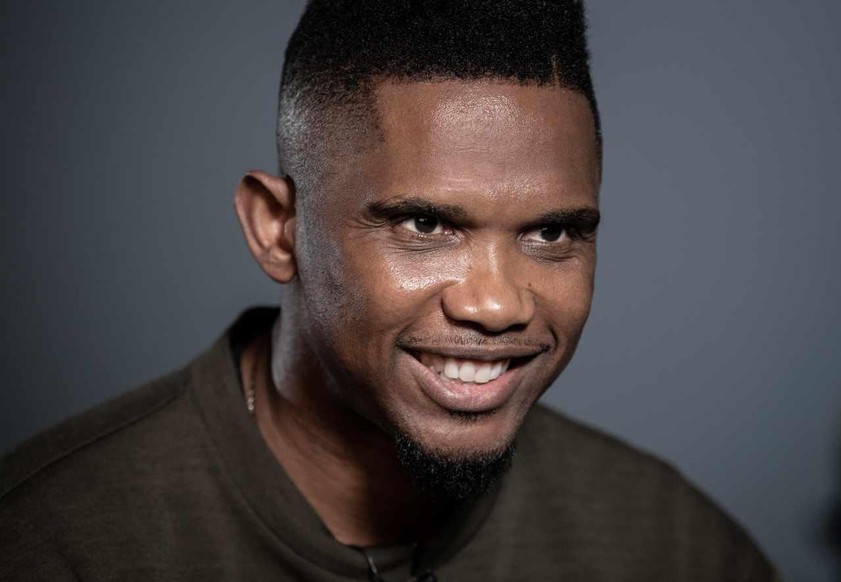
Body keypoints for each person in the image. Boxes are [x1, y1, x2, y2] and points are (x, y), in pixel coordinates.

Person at [0, 1, 779, 580]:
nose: (498, 304)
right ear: (276, 228)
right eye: (424, 225)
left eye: (549, 234)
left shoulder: (668, 545)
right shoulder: (51, 540)